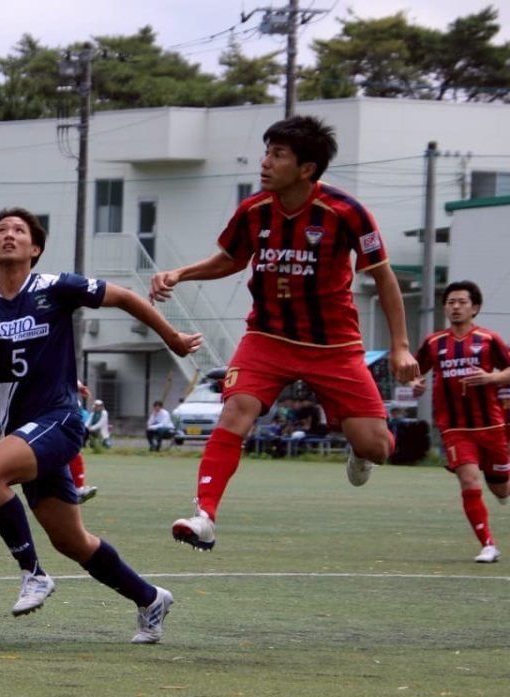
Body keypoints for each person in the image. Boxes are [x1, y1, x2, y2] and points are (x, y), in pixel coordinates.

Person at [150, 115, 419, 551]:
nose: (265, 162)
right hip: (267, 339)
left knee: (377, 447)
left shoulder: (347, 212)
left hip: (334, 346)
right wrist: (180, 273)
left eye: (278, 155)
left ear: (307, 168)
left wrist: (401, 347)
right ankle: (204, 517)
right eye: (267, 152)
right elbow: (231, 259)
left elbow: (384, 278)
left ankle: (361, 449)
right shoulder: (254, 210)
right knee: (235, 411)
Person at [0, 206, 202, 643]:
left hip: (59, 420)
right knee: (72, 541)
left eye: (19, 230)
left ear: (35, 248)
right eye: (1, 230)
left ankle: (33, 573)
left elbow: (125, 297)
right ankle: (150, 599)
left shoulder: (56, 287)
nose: (9, 235)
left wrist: (172, 337)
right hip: (23, 434)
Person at [410, 280, 510, 563]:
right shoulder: (433, 343)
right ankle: (488, 545)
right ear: (444, 307)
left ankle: (502, 485)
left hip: (491, 426)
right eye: (450, 302)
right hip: (454, 428)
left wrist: (491, 377)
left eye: (462, 302)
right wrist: (415, 383)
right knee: (468, 478)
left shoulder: (489, 339)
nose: (455, 307)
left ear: (474, 308)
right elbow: (414, 372)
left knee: (502, 489)